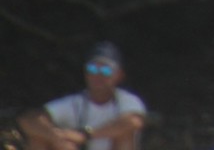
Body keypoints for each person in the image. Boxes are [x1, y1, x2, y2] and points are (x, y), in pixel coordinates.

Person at [17, 41, 147, 150]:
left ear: (119, 75)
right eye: (92, 69)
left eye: (106, 70)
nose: (98, 75)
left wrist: (86, 135)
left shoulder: (126, 100)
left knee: (125, 134)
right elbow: (28, 120)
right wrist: (57, 136)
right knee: (39, 137)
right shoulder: (75, 102)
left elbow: (133, 122)